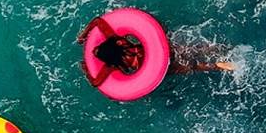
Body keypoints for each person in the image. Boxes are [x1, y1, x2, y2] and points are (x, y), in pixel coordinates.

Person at [80, 23, 235, 89]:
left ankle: (219, 67)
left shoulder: (112, 65)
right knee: (191, 49)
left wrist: (87, 69)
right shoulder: (120, 41)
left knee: (193, 66)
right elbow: (98, 21)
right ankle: (223, 49)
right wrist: (84, 35)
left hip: (161, 67)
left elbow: (95, 82)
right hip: (161, 51)